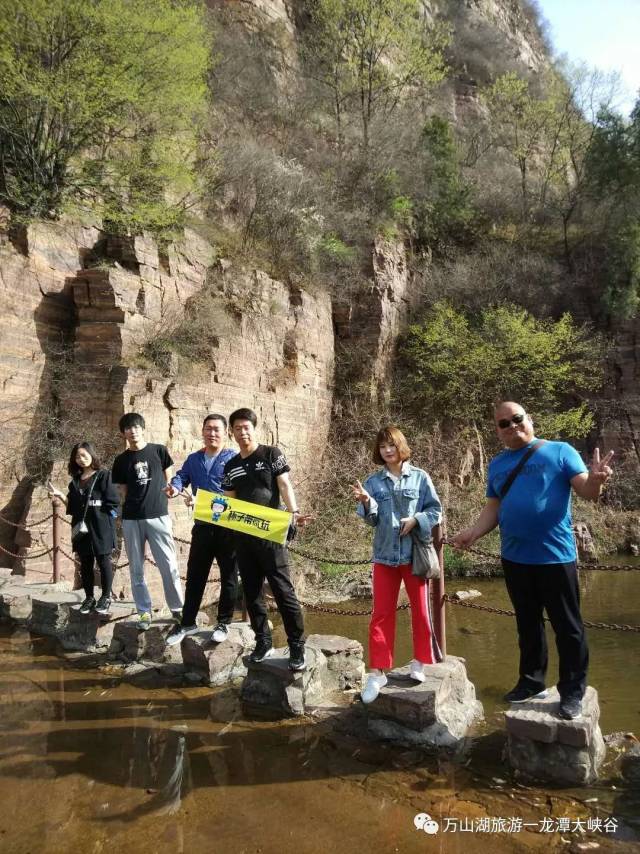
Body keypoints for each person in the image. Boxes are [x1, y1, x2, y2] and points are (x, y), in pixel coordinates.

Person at [451, 401, 613, 720]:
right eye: (503, 424)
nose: (512, 426)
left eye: (517, 419)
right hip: (515, 558)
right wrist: (473, 533)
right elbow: (493, 508)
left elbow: (587, 491)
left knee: (568, 628)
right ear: (498, 431)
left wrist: (597, 479)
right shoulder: (498, 464)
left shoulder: (560, 450)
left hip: (555, 557)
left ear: (530, 420)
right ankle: (530, 682)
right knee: (528, 625)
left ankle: (572, 691)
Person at [352, 425, 443, 704]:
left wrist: (417, 520)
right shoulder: (373, 482)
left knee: (421, 612)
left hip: (414, 555)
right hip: (384, 556)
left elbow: (435, 510)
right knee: (381, 615)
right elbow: (371, 519)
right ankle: (378, 672)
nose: (387, 450)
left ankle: (419, 662)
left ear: (400, 446)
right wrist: (367, 502)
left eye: (391, 445)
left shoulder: (420, 477)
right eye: (382, 447)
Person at [222, 408, 310, 671]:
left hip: (271, 534)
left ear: (254, 428)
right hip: (244, 537)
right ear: (232, 432)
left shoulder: (271, 454)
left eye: (246, 427)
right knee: (251, 592)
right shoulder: (231, 465)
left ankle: (296, 645)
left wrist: (293, 512)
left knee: (283, 591)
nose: (242, 431)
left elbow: (284, 484)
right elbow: (228, 500)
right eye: (237, 428)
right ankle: (263, 641)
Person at [164, 414, 239, 646]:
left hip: (229, 528)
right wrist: (175, 488)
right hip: (203, 528)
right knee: (195, 575)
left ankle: (223, 622)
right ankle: (188, 622)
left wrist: (205, 502)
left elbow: (241, 492)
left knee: (229, 576)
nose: (212, 433)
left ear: (226, 432)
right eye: (208, 429)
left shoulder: (234, 459)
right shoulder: (194, 459)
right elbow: (181, 477)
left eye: (216, 429)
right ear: (202, 431)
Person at [111, 413, 184, 630]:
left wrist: (169, 493)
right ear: (123, 433)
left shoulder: (158, 450)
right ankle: (144, 612)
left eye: (135, 427)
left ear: (142, 428)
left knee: (168, 564)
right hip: (132, 518)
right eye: (128, 428)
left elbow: (169, 479)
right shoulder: (121, 460)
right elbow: (123, 491)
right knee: (136, 568)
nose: (132, 431)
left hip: (158, 515)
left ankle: (178, 609)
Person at [48, 442, 119, 615]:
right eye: (77, 456)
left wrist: (104, 514)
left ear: (91, 454)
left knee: (103, 562)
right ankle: (89, 598)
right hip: (82, 528)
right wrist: (60, 495)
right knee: (85, 564)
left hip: (100, 527)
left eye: (84, 455)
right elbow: (72, 508)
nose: (81, 459)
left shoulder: (103, 476)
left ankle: (106, 597)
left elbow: (114, 502)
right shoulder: (75, 482)